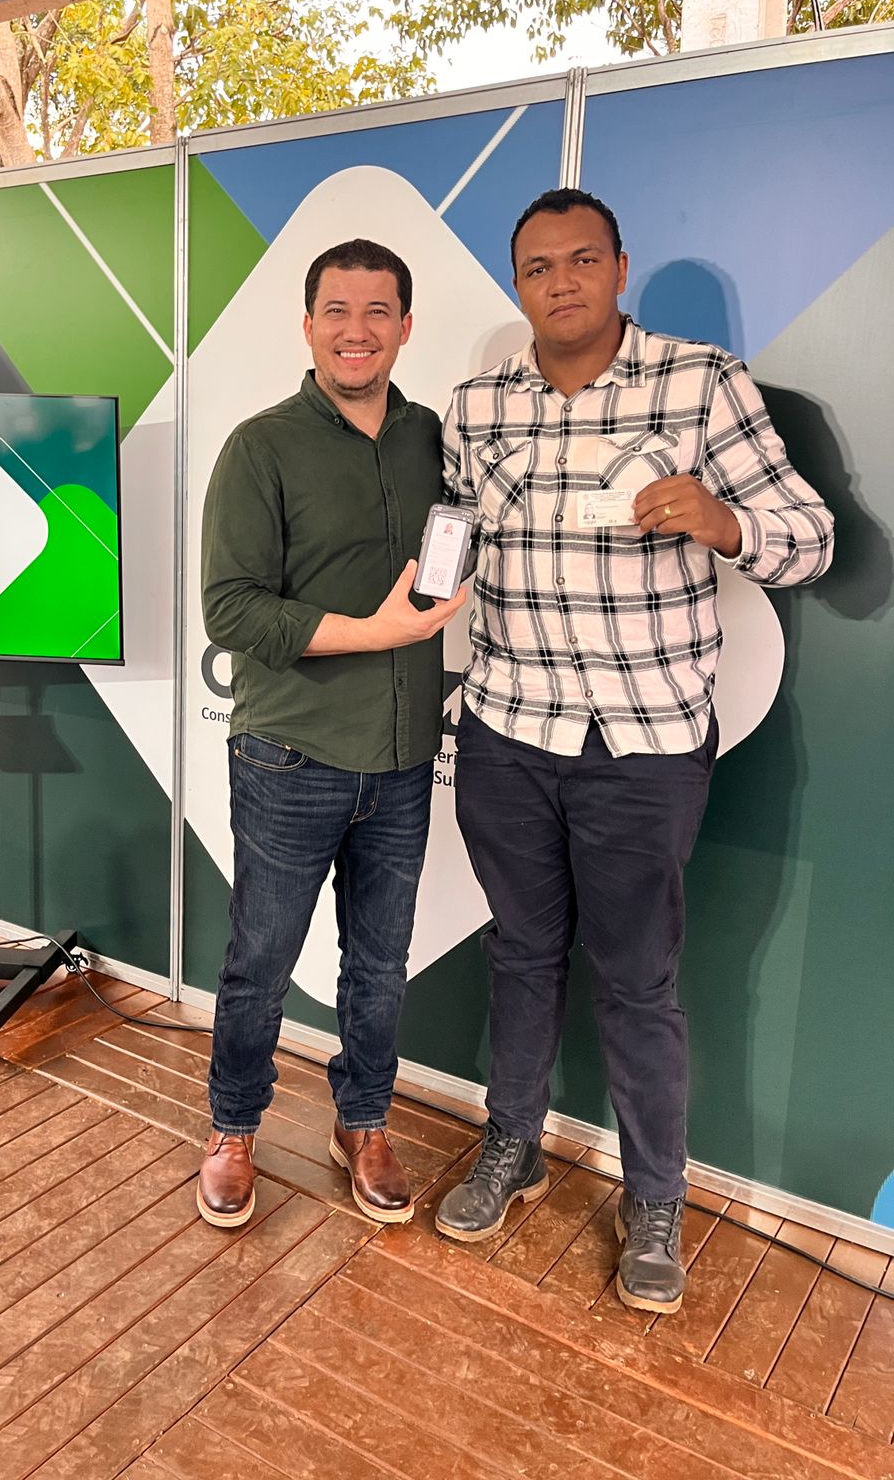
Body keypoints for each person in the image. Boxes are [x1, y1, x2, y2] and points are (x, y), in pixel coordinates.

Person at [435, 189, 833, 1313]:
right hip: (507, 728)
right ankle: (512, 1145)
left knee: (639, 980)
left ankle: (657, 1197)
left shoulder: (700, 384)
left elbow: (813, 536)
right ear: (518, 285)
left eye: (580, 260)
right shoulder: (477, 406)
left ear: (619, 268)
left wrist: (724, 522)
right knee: (520, 954)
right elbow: (449, 534)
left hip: (644, 742)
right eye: (537, 268)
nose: (559, 283)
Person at [198, 237, 466, 1229]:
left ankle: (364, 1122)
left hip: (402, 759)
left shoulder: (433, 436)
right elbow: (230, 608)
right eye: (339, 312)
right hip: (290, 756)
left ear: (405, 325)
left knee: (379, 964)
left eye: (378, 311)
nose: (359, 331)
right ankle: (233, 1129)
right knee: (260, 961)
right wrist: (375, 632)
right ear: (309, 326)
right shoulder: (260, 446)